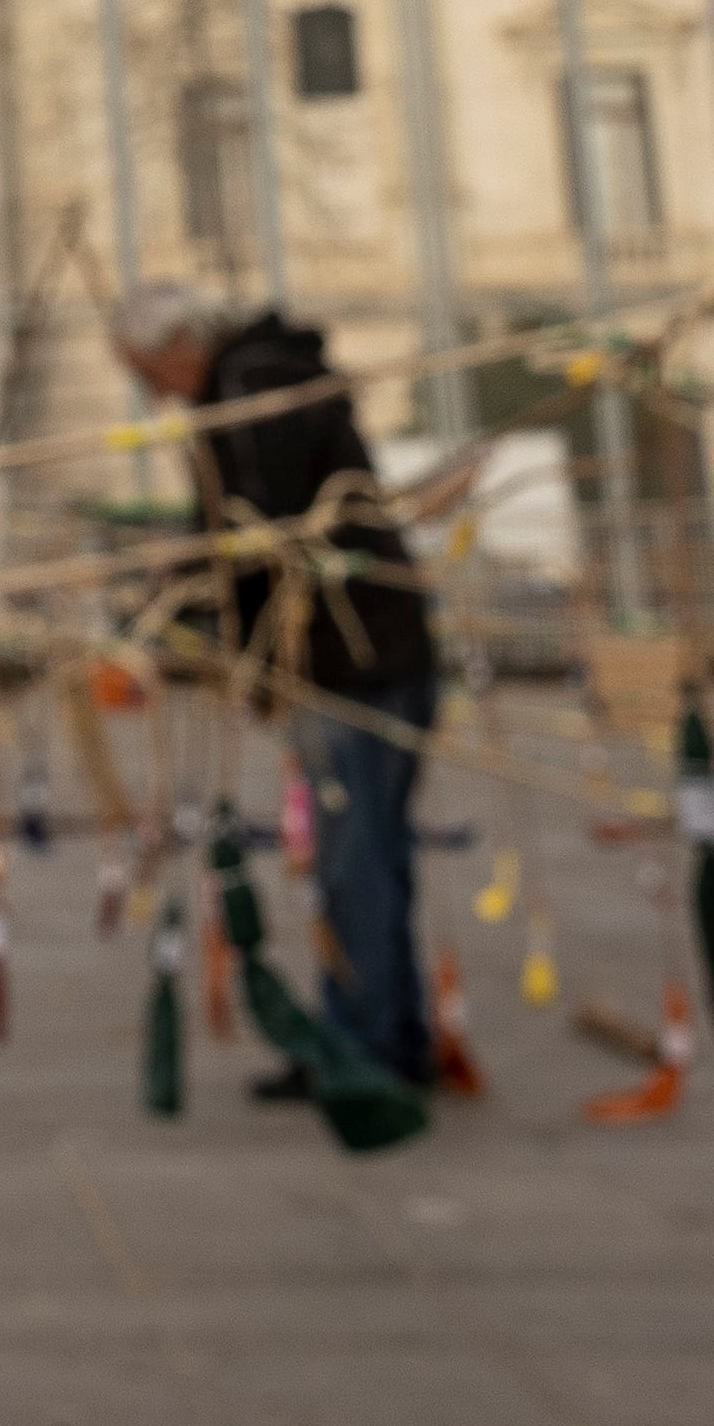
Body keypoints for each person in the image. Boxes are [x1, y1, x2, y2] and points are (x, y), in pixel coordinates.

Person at [113, 281, 437, 1090]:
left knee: (355, 863)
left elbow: (259, 530)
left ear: (182, 344)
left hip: (352, 662)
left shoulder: (251, 387)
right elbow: (235, 525)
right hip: (368, 651)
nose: (155, 391)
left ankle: (363, 1052)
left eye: (152, 369)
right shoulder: (257, 378)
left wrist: (191, 599)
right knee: (371, 858)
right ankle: (386, 1038)